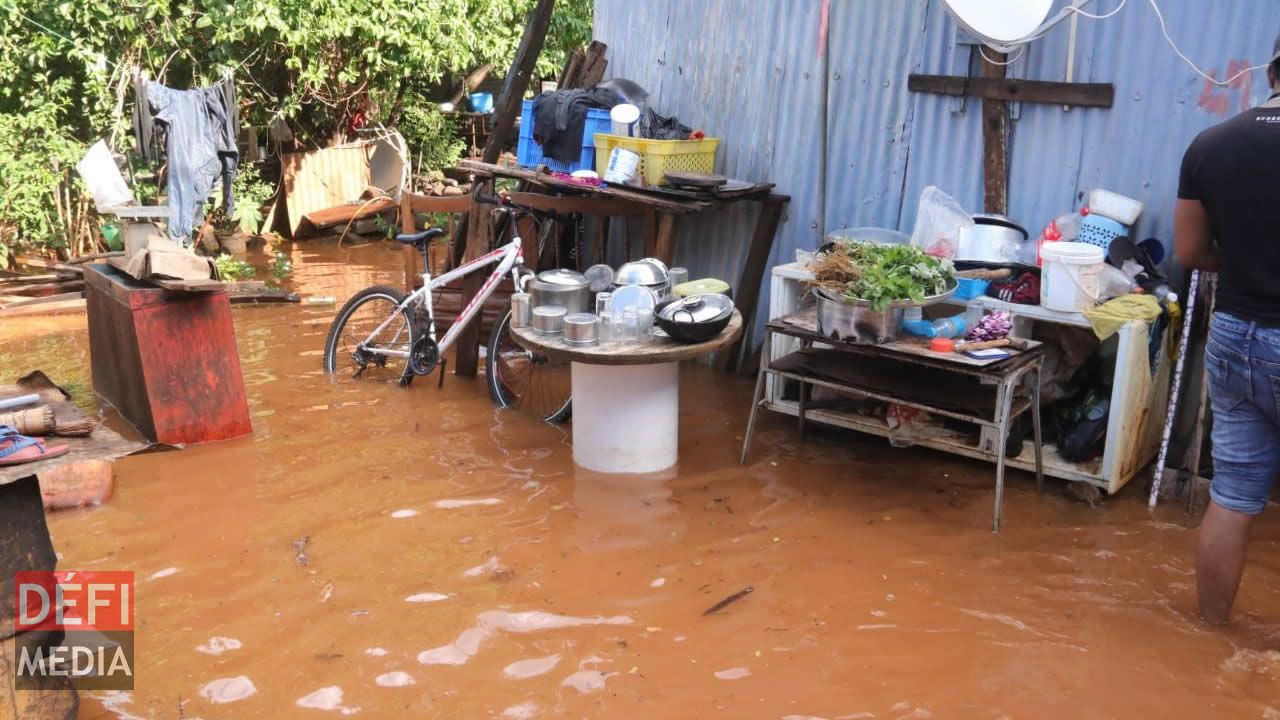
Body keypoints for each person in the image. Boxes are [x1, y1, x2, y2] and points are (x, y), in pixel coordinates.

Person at [1175, 35, 1280, 625]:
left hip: (1234, 333)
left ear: (1272, 72)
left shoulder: (1211, 144)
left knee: (1233, 497)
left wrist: (1242, 264)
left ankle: (1211, 633)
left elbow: (1191, 252)